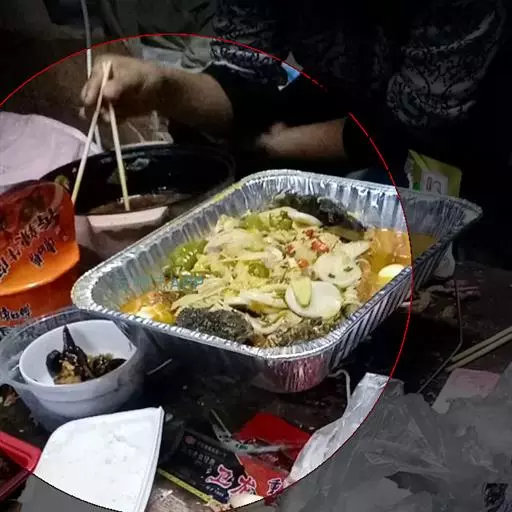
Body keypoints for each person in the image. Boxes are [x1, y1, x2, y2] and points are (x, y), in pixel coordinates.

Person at [82, 0, 510, 186]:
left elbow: (412, 125)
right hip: (356, 97)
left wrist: (271, 144)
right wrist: (161, 86)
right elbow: (241, 77)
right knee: (203, 150)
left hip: (470, 124)